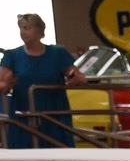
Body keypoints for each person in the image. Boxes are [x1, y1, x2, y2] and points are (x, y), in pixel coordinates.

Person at [0, 14, 86, 149]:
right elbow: (3, 85)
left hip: (55, 112)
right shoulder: (12, 56)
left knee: (59, 151)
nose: (23, 32)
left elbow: (80, 78)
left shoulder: (58, 53)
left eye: (27, 28)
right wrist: (8, 84)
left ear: (40, 31)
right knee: (25, 153)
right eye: (21, 28)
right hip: (24, 112)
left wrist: (73, 78)